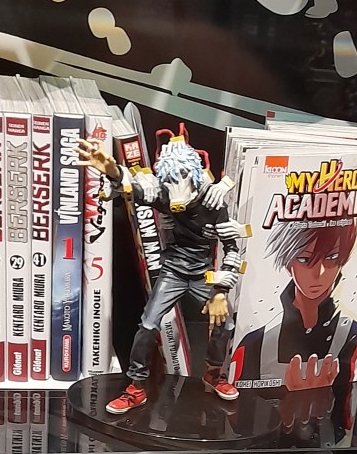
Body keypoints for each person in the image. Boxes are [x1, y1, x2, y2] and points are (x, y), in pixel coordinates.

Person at [76, 126, 246, 414]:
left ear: (194, 174)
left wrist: (220, 291)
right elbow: (133, 187)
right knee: (147, 325)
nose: (177, 185)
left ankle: (213, 373)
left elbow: (232, 248)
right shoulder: (163, 195)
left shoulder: (214, 202)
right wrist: (112, 170)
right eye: (170, 178)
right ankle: (136, 387)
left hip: (203, 274)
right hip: (173, 271)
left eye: (182, 176)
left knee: (225, 323)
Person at [230, 220, 357, 393]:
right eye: (305, 259)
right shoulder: (254, 344)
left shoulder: (352, 336)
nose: (319, 272)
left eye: (331, 257)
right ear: (288, 264)